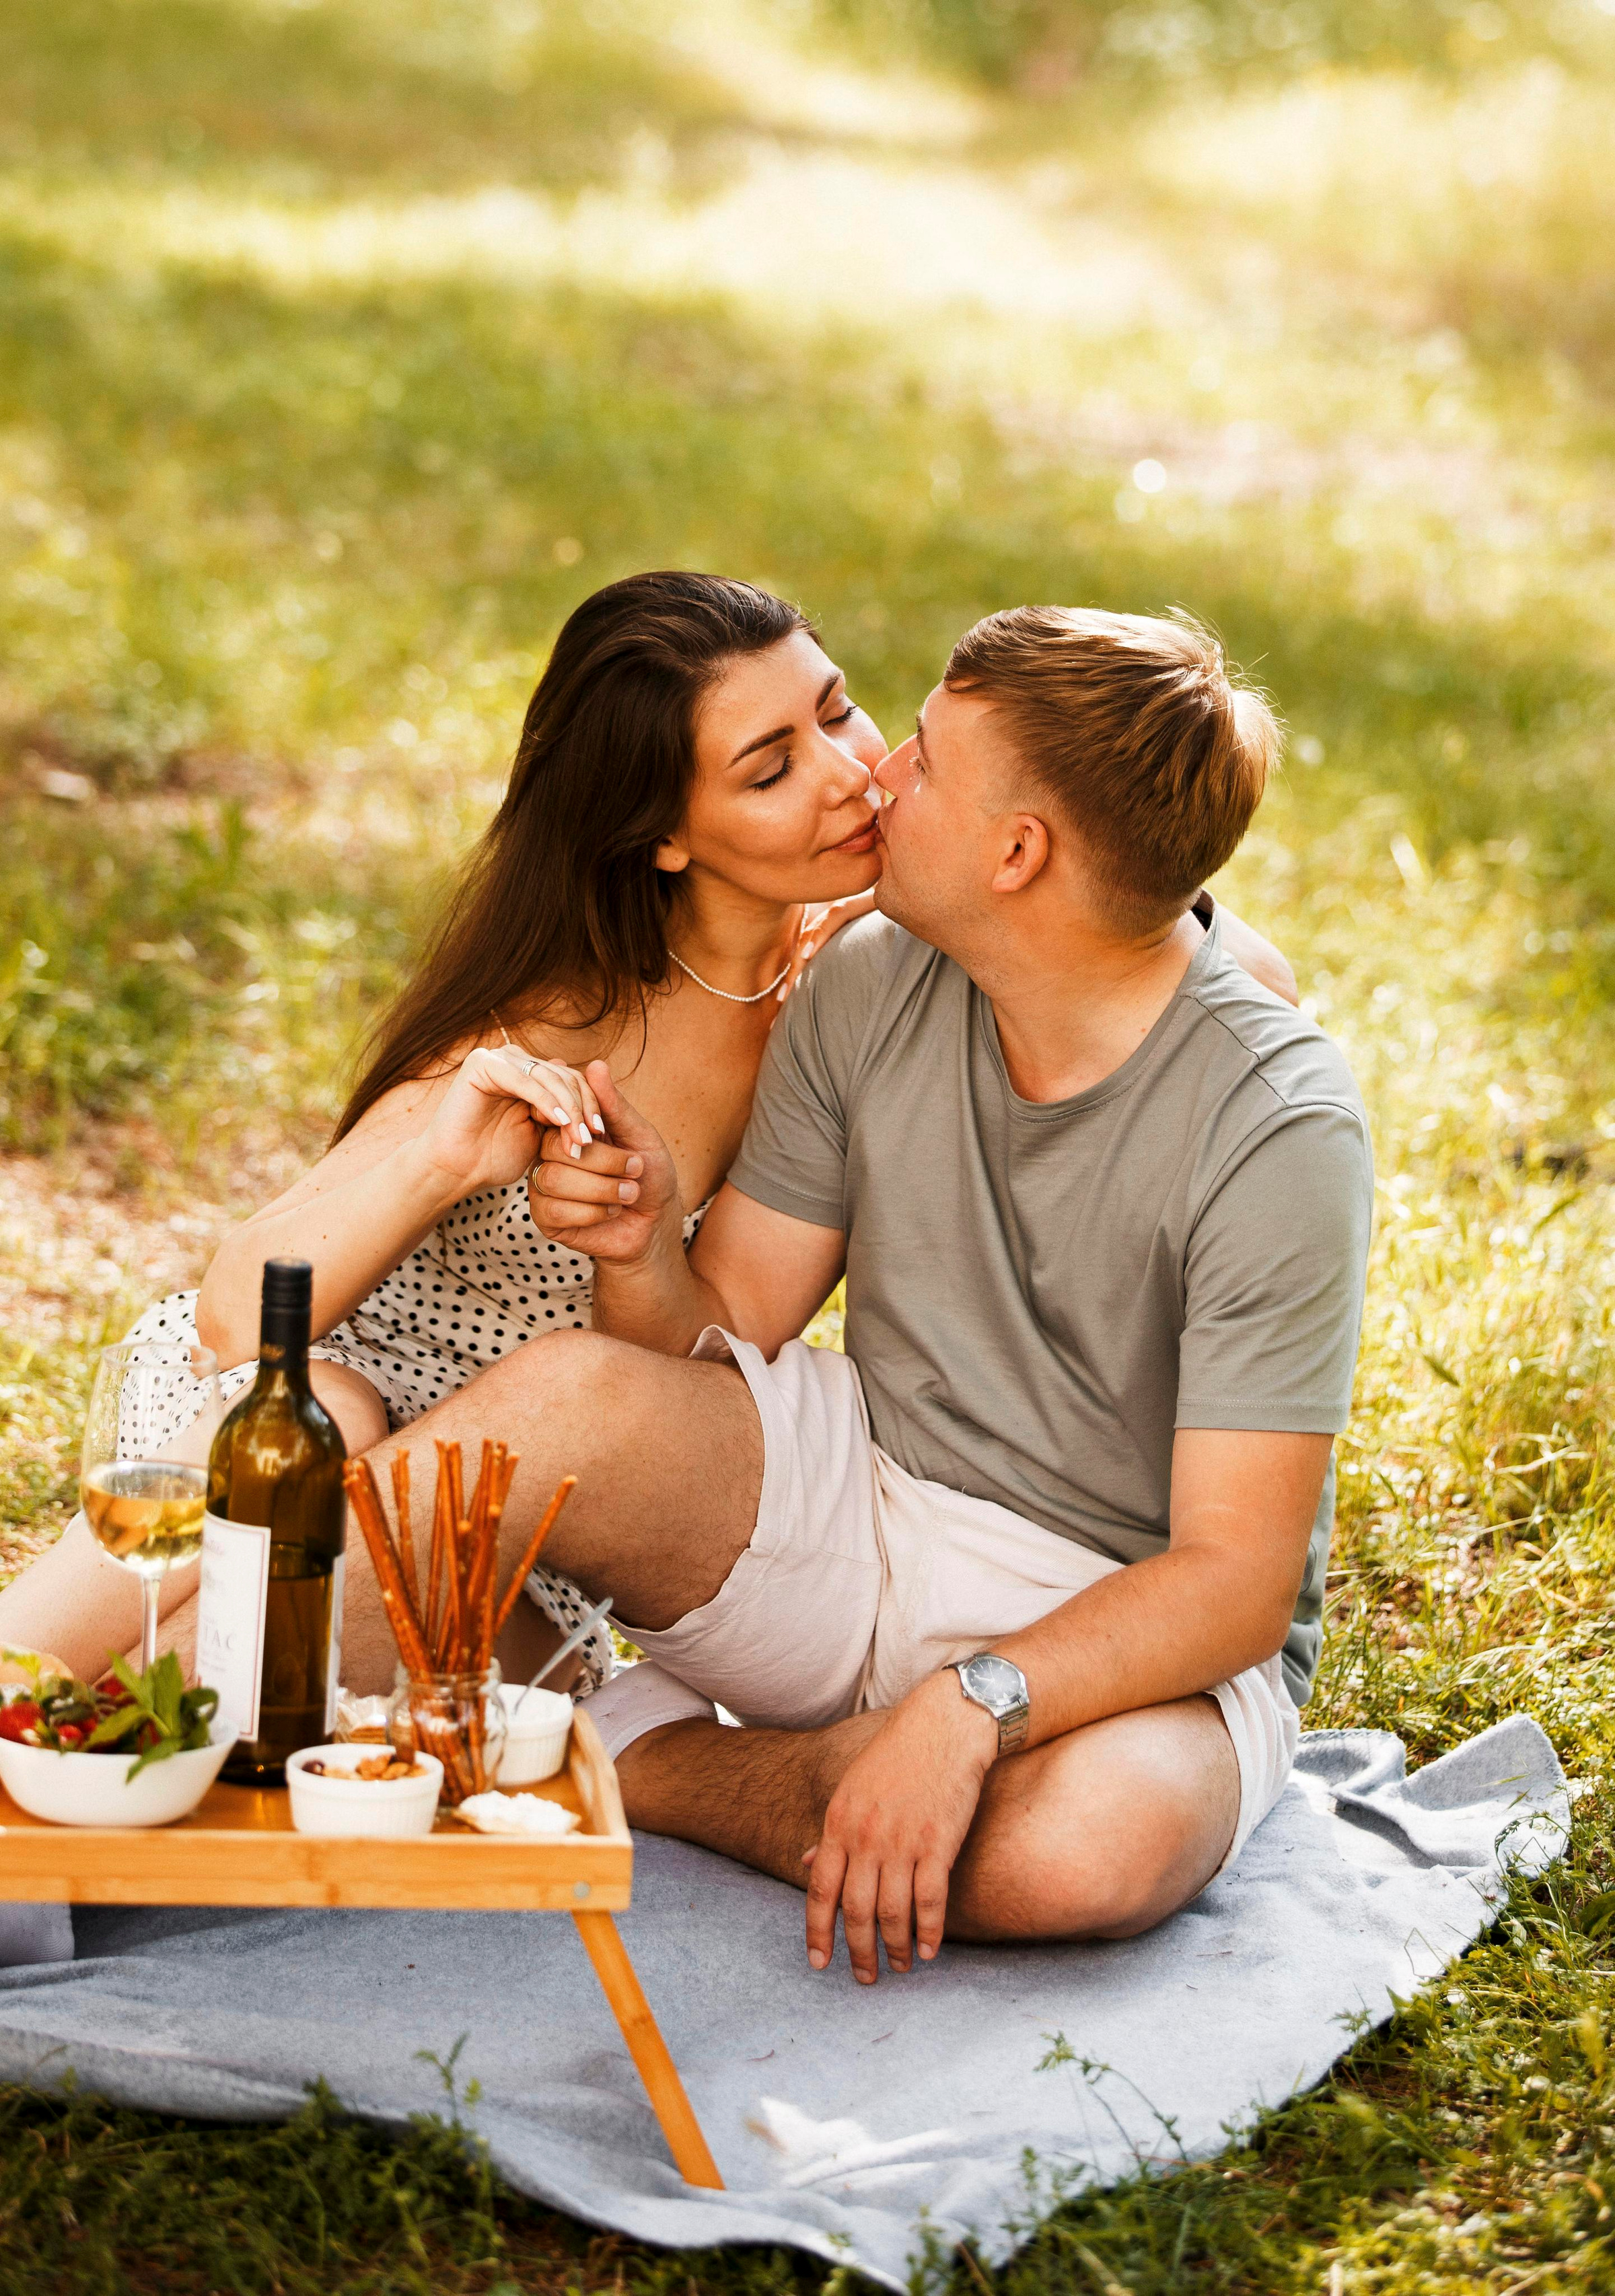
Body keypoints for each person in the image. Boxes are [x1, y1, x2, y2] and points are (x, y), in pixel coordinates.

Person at [0, 579, 1295, 1699]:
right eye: (770, 767)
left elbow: (1186, 951)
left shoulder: (863, 990)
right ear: (664, 835)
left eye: (836, 709)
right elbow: (234, 1312)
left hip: (539, 1522)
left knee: (488, 1685)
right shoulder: (572, 1009)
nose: (851, 775)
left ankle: (46, 1770)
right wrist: (439, 1157)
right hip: (309, 1402)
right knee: (309, 1445)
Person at [314, 602, 1372, 1988]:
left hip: (1124, 1619)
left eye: (920, 760)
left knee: (1082, 1853)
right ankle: (91, 1742)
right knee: (558, 1401)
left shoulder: (1276, 1121)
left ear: (1016, 852)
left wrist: (969, 1706)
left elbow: (1230, 1585)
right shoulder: (867, 980)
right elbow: (721, 1338)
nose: (876, 775)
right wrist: (637, 1247)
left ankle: (646, 1750)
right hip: (863, 1498)